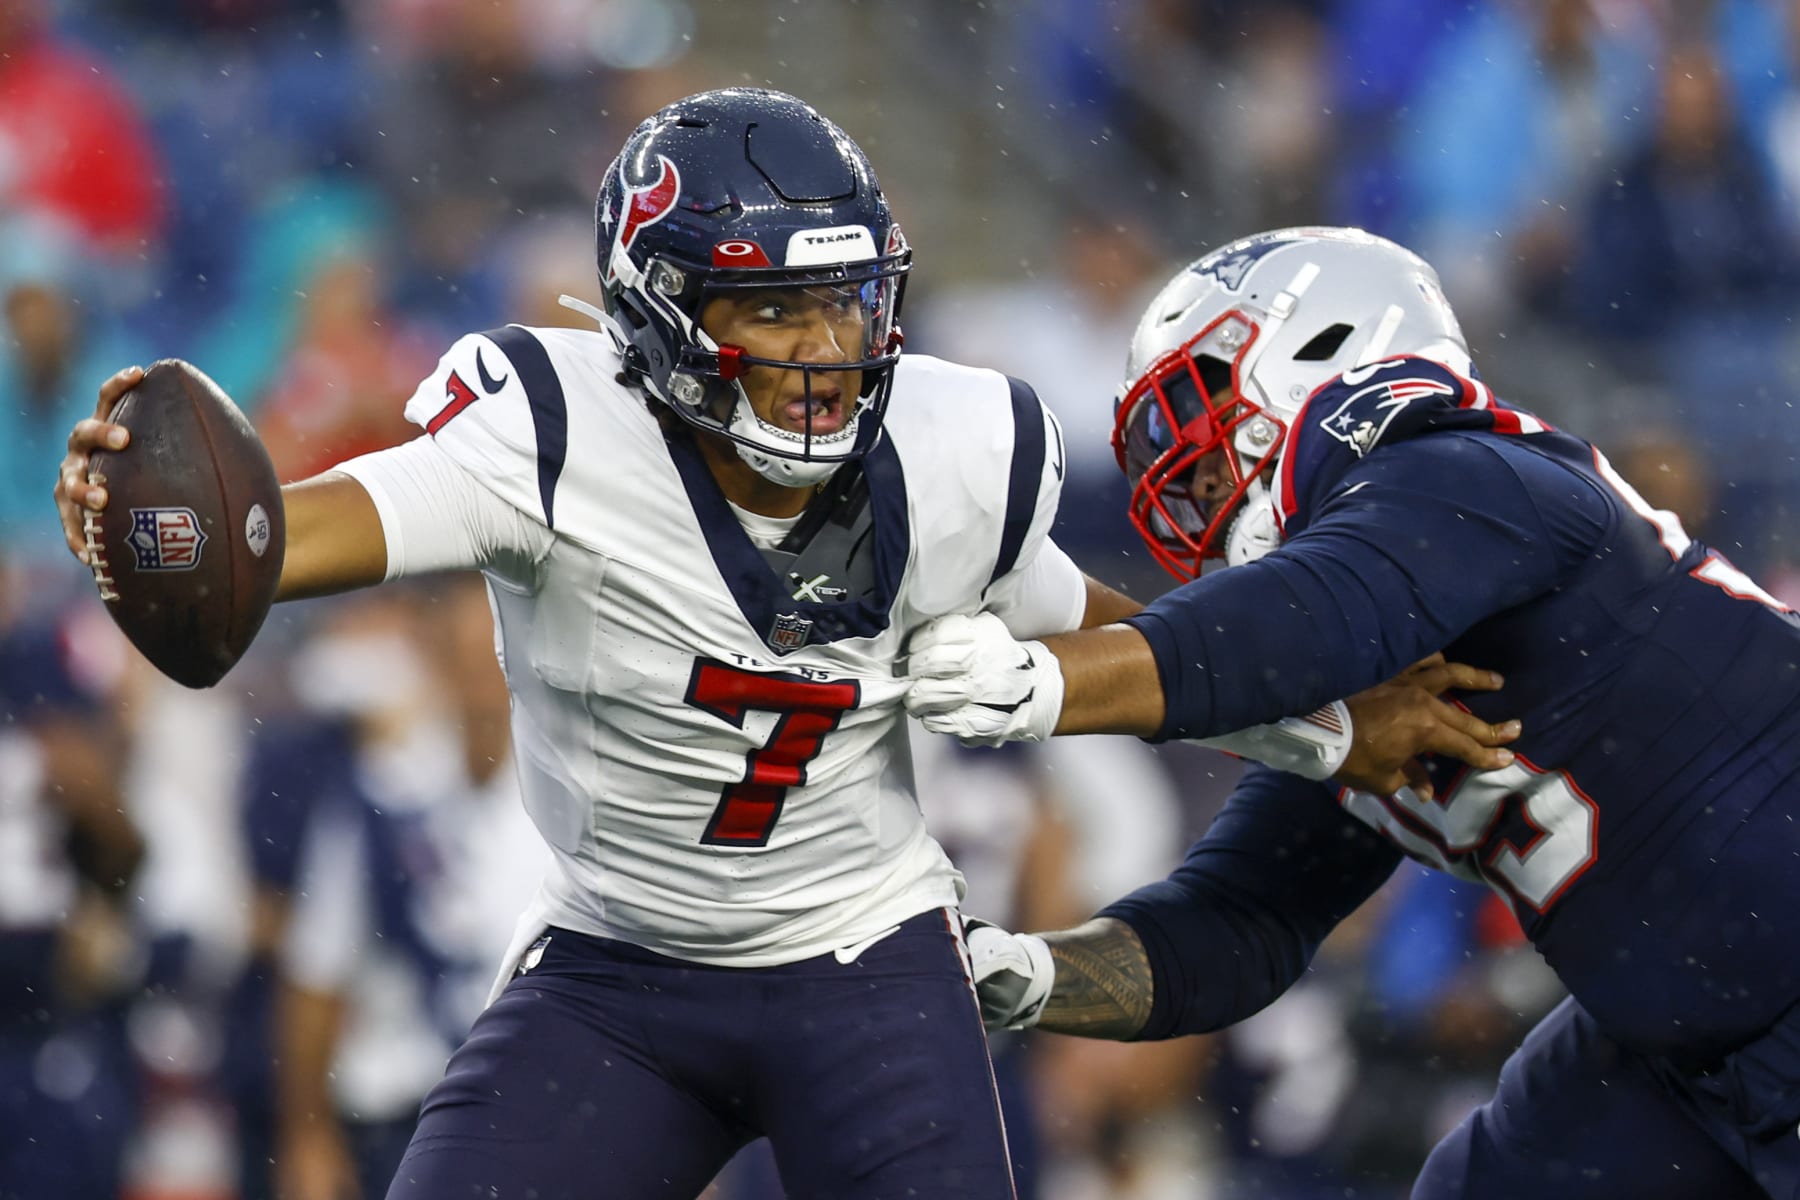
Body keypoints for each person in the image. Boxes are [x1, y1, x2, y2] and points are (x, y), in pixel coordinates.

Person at [55, 97, 1510, 1199]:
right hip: (616, 972)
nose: (824, 347)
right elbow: (276, 538)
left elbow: (1127, 648)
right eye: (771, 305)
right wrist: (155, 528)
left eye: (844, 296)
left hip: (864, 969)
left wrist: (1323, 728)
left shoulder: (954, 445)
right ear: (659, 318)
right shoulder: (547, 436)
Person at [903, 226, 1800, 1197]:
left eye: (1199, 408)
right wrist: (1012, 974)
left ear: (1321, 350)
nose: (1193, 478)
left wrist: (1041, 682)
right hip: (1678, 1033)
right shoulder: (1339, 694)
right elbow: (1234, 927)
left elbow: (1288, 627)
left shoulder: (1470, 471)